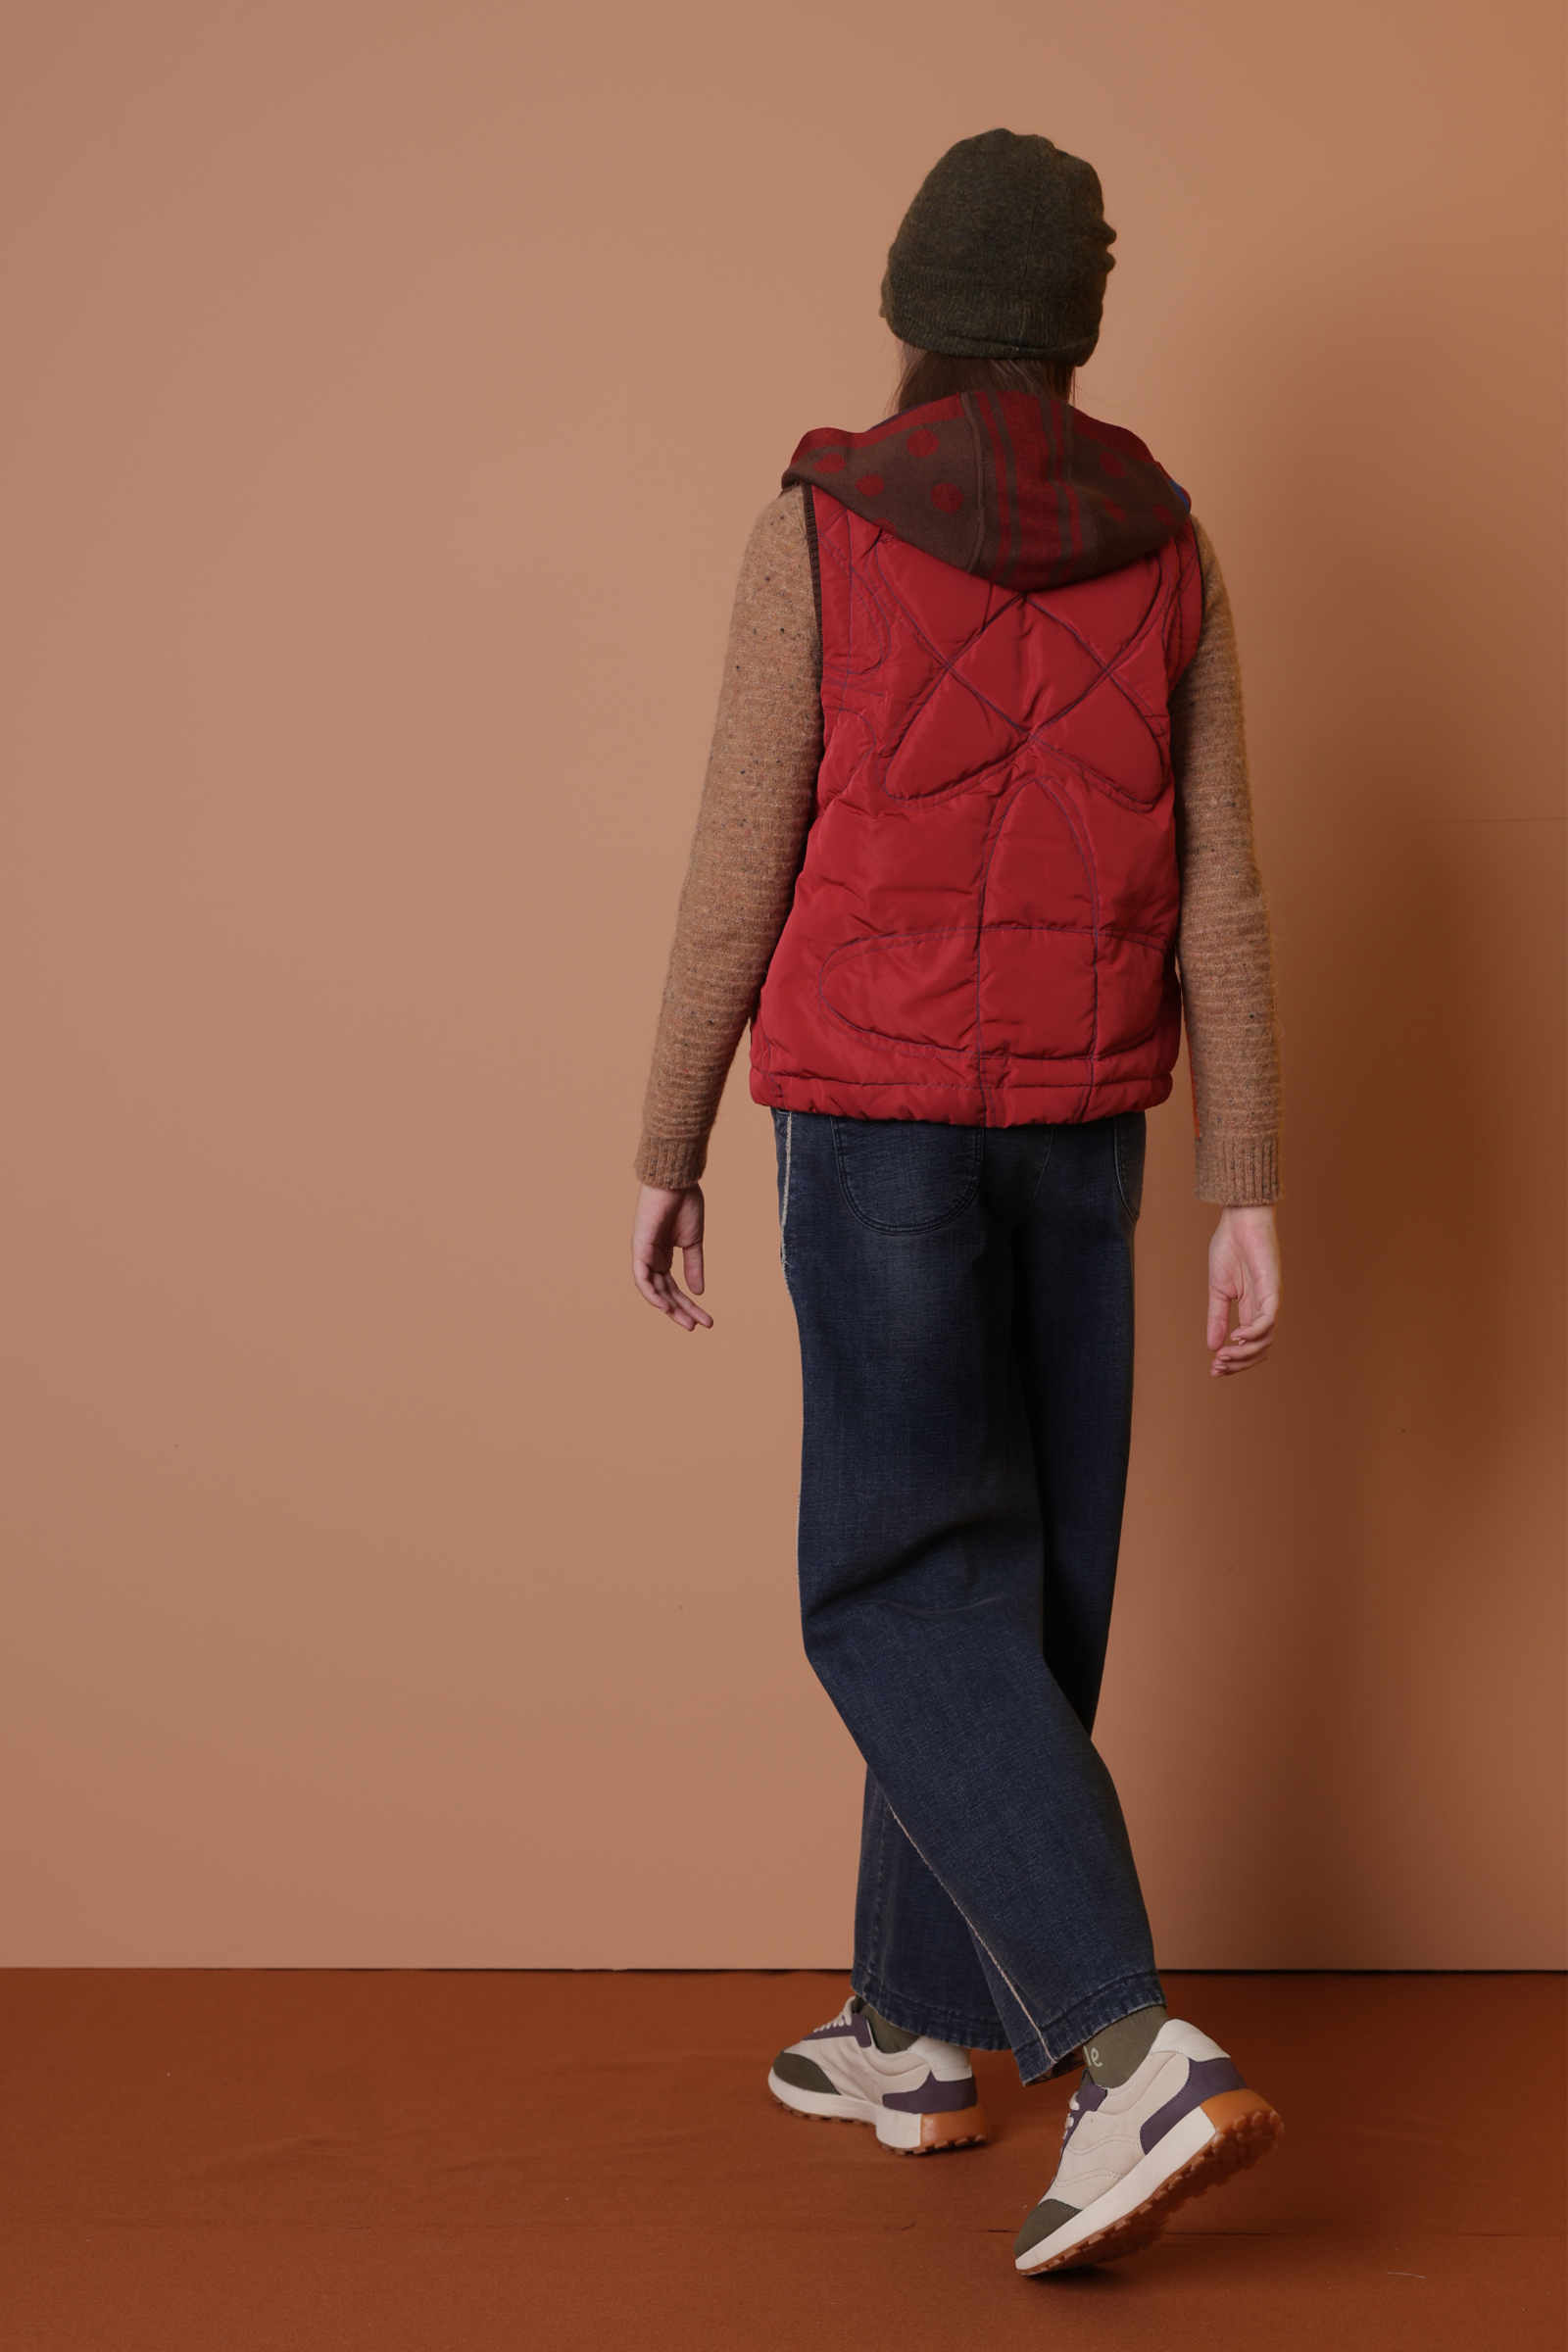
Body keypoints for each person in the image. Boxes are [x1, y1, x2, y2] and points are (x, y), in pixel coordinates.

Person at [629, 128, 1284, 2278]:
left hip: (879, 1117)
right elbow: (1221, 884)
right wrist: (1245, 1184)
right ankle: (915, 2033)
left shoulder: (822, 520)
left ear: (912, 308)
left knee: (900, 1583)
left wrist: (665, 1139)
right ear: (1077, 325)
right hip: (1082, 1134)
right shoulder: (1167, 535)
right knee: (1020, 1584)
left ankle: (1129, 2051)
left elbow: (740, 852)